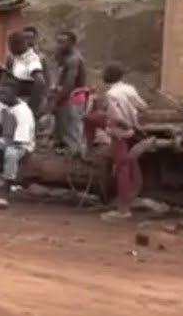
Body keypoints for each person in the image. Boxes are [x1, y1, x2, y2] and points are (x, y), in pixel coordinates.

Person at [84, 63, 148, 219]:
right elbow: (143, 106)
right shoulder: (129, 89)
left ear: (107, 76)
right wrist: (134, 121)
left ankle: (123, 210)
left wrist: (126, 124)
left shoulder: (111, 94)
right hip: (131, 130)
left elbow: (116, 118)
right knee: (125, 166)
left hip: (119, 132)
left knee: (122, 169)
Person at [50, 31, 88, 154]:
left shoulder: (74, 59)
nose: (59, 45)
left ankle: (75, 156)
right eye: (58, 42)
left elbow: (69, 83)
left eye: (62, 42)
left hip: (73, 98)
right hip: (67, 97)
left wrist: (57, 100)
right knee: (64, 129)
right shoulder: (66, 57)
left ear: (71, 43)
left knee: (71, 131)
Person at [5, 30, 46, 113]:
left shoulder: (31, 59)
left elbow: (40, 82)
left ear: (17, 44)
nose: (10, 49)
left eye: (10, 46)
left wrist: (31, 106)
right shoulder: (17, 58)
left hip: (24, 101)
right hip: (15, 101)